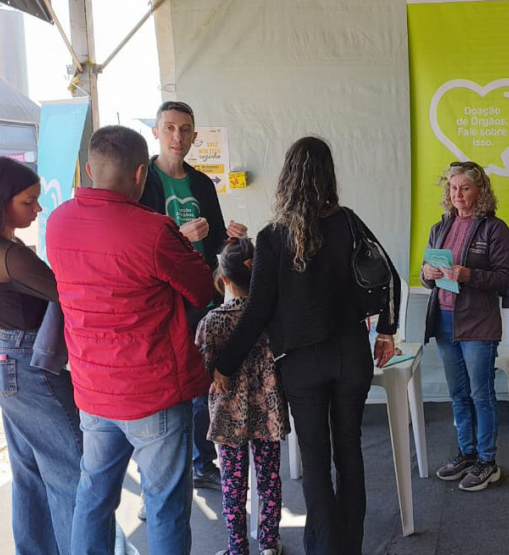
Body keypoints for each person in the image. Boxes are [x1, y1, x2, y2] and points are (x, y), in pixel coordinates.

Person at [211, 136, 400, 555]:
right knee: (350, 452)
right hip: (352, 355)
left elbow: (257, 309)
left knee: (315, 463)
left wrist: (225, 364)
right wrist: (386, 331)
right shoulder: (349, 222)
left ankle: (324, 549)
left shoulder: (274, 237)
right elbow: (389, 275)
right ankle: (350, 547)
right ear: (328, 175)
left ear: (286, 178)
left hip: (302, 365)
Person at [46, 125, 216, 553]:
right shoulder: (155, 231)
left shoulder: (58, 222)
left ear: (89, 169)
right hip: (153, 391)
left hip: (93, 391)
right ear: (142, 174)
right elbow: (201, 289)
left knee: (93, 498)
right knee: (165, 506)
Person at [140, 100, 248, 490]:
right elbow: (137, 241)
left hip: (201, 294)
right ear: (155, 131)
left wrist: (230, 237)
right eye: (169, 128)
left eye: (184, 129)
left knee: (204, 378)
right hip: (160, 296)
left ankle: (203, 462)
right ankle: (170, 461)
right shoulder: (142, 179)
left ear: (194, 136)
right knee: (169, 381)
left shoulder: (201, 183)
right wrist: (179, 237)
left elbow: (216, 238)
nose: (177, 136)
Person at [0, 157, 81, 554]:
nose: (38, 209)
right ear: (2, 201)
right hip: (27, 365)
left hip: (5, 360)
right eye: (29, 201)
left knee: (31, 474)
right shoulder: (9, 254)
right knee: (72, 470)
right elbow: (69, 294)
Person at [421, 160, 509, 492]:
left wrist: (469, 275)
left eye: (465, 188)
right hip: (444, 320)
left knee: (480, 395)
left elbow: (506, 279)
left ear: (480, 191)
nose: (457, 194)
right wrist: (427, 274)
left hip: (478, 322)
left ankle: (488, 461)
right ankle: (467, 453)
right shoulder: (439, 227)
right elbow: (426, 271)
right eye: (452, 187)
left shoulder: (495, 229)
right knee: (458, 395)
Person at [195, 238, 288, 555]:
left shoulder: (212, 322)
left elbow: (205, 369)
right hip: (269, 410)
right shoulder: (272, 318)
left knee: (233, 485)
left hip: (228, 416)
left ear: (222, 279)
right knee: (269, 479)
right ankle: (269, 545)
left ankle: (237, 548)